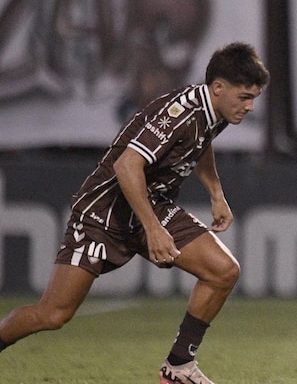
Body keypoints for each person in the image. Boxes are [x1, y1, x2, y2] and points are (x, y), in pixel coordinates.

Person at [0, 42, 270, 384]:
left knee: (223, 271)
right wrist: (153, 229)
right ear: (218, 87)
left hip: (151, 204)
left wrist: (216, 193)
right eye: (244, 97)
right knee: (53, 314)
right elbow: (128, 164)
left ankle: (178, 367)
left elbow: (202, 144)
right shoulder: (180, 114)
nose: (249, 106)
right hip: (104, 212)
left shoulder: (214, 112)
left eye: (253, 98)